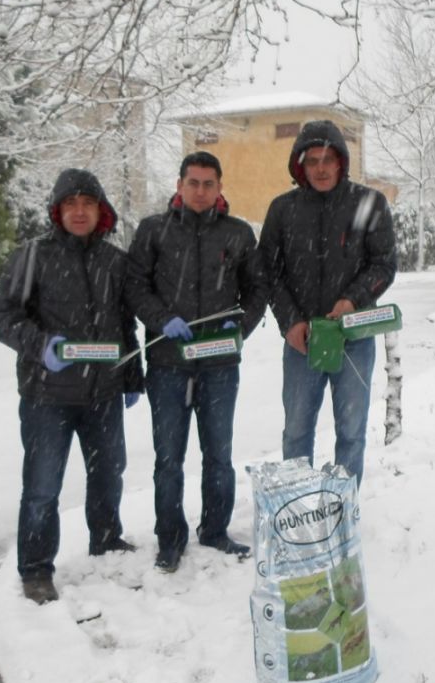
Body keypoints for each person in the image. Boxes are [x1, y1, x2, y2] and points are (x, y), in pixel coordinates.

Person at [0, 168, 143, 604]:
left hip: (103, 393)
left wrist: (132, 376)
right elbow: (5, 315)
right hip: (47, 397)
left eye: (88, 204)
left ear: (101, 211)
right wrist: (42, 346)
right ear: (58, 211)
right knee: (42, 486)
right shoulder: (32, 256)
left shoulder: (114, 261)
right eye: (71, 204)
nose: (80, 212)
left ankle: (107, 537)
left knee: (109, 472)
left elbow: (124, 324)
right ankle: (36, 568)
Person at [127, 151, 268, 573]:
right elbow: (135, 285)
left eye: (209, 183)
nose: (201, 191)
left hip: (220, 363)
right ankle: (169, 539)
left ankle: (215, 529)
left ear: (220, 187)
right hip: (169, 362)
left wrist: (238, 325)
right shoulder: (154, 231)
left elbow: (257, 290)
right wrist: (159, 319)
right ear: (180, 185)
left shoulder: (238, 234)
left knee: (218, 454)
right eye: (194, 182)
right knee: (168, 457)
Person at [258, 120, 396, 487]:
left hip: (353, 338)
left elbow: (384, 264)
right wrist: (290, 322)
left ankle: (341, 505)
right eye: (312, 160)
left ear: (341, 162)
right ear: (300, 166)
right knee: (297, 430)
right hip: (302, 341)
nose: (320, 168)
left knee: (351, 430)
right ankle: (300, 503)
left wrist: (353, 299)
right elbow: (269, 274)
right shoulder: (283, 210)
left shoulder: (369, 204)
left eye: (328, 160)